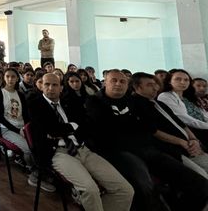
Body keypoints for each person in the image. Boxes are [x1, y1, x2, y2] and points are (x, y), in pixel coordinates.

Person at [86, 69, 208, 211]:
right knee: (144, 184)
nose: (118, 84)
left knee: (198, 183)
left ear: (128, 85)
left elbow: (146, 127)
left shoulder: (134, 102)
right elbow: (110, 128)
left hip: (146, 148)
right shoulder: (94, 101)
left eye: (122, 81)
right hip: (118, 151)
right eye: (114, 80)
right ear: (105, 83)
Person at [28, 74, 134, 210]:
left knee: (125, 190)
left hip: (83, 149)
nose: (50, 88)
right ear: (41, 86)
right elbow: (51, 129)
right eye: (47, 84)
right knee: (90, 189)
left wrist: (66, 129)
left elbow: (86, 125)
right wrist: (72, 126)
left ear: (61, 88)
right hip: (58, 153)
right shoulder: (35, 104)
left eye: (55, 85)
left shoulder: (69, 102)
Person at [130, 72, 208, 178]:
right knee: (201, 176)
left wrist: (194, 140)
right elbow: (153, 131)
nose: (155, 88)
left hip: (189, 144)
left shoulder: (158, 103)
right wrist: (182, 142)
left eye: (155, 84)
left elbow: (181, 124)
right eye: (149, 85)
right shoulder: (136, 105)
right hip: (173, 149)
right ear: (137, 87)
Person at [157, 69, 208, 146]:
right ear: (169, 81)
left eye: (186, 80)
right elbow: (184, 119)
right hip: (191, 131)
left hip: (203, 127)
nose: (183, 82)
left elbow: (204, 114)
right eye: (178, 79)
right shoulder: (165, 96)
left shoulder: (188, 97)